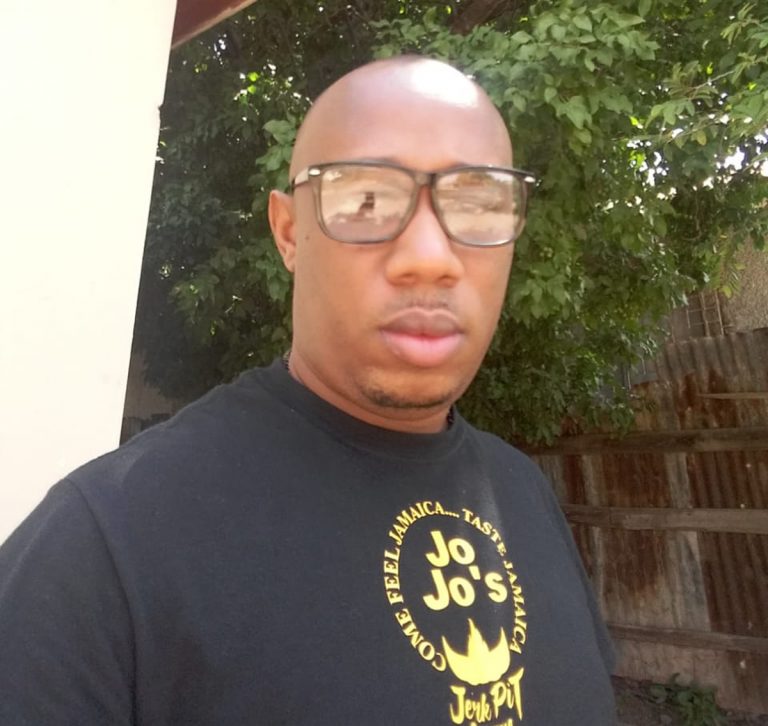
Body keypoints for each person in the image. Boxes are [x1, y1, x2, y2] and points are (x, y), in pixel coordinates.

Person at [0, 56, 616, 724]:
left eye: (477, 204)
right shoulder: (102, 550)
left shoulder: (524, 493)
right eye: (367, 201)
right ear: (290, 232)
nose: (430, 257)